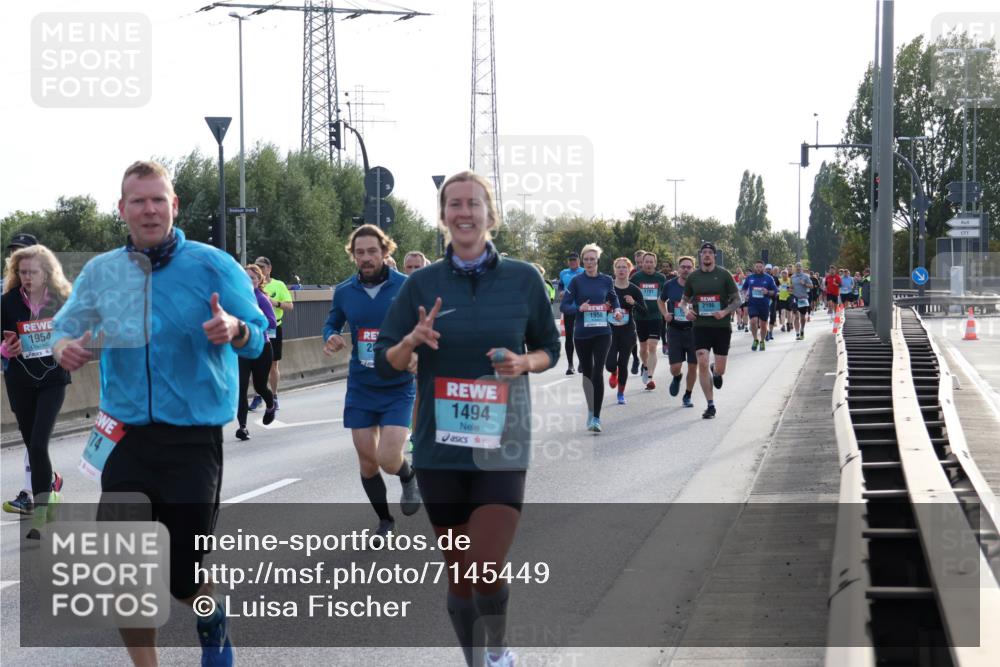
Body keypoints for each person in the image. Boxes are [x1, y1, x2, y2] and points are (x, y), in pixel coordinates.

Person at [51, 160, 267, 667]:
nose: (148, 209)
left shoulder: (212, 265)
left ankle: (212, 619)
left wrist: (234, 328)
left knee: (183, 577)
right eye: (137, 200)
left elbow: (260, 336)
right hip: (125, 437)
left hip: (192, 441)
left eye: (157, 199)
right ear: (122, 209)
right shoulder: (103, 271)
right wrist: (64, 346)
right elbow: (65, 326)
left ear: (174, 206)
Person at [374, 171, 559, 667]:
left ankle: (498, 649)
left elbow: (550, 348)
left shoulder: (524, 279)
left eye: (473, 203)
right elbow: (384, 358)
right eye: (453, 204)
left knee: (485, 563)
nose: (464, 212)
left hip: (503, 443)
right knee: (459, 572)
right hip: (439, 449)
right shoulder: (420, 284)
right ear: (443, 217)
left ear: (490, 214)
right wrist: (411, 342)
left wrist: (524, 363)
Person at [323, 224, 420, 537]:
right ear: (353, 255)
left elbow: (426, 324)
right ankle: (385, 521)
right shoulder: (344, 291)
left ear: (385, 252)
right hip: (362, 386)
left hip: (398, 384)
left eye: (372, 252)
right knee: (367, 461)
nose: (366, 258)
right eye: (360, 252)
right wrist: (332, 336)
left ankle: (408, 475)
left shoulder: (405, 286)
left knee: (389, 457)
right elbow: (331, 322)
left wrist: (418, 352)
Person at [1, 244, 70, 537]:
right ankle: (51, 482)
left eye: (33, 272)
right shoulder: (6, 304)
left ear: (47, 272)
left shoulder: (62, 301)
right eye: (22, 272)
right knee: (33, 447)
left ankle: (41, 519)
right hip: (20, 381)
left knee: (39, 444)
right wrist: (7, 348)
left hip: (53, 379)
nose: (27, 277)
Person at [561, 243, 621, 432]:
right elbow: (564, 306)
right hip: (582, 334)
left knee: (597, 373)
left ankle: (596, 417)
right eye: (586, 259)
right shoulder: (576, 281)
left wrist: (617, 309)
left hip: (603, 332)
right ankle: (590, 410)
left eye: (592, 259)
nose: (589, 262)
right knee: (587, 374)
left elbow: (613, 298)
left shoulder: (606, 280)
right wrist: (579, 308)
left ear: (597, 260)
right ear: (582, 261)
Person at [680, 242, 740, 419]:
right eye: (703, 253)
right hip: (701, 326)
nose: (706, 255)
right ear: (700, 256)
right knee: (702, 361)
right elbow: (683, 301)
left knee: (720, 369)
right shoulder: (693, 277)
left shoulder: (724, 275)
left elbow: (737, 300)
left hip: (721, 327)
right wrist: (686, 311)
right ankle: (710, 405)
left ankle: (716, 371)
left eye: (709, 253)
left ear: (714, 256)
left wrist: (724, 312)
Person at [235, 264, 277, 440]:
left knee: (260, 385)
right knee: (242, 386)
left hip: (262, 347)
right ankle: (242, 427)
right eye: (245, 277)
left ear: (259, 280)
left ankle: (270, 404)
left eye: (252, 277)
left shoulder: (261, 299)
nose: (248, 280)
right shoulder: (237, 298)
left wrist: (252, 325)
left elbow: (272, 322)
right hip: (242, 348)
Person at [250, 256, 293, 412]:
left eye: (262, 266)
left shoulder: (278, 285)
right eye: (257, 266)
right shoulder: (251, 284)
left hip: (274, 328)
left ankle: (274, 395)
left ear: (269, 269)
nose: (259, 269)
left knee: (273, 363)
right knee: (254, 362)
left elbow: (290, 306)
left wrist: (274, 303)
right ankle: (257, 396)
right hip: (256, 329)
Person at [658, 255, 698, 407]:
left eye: (689, 267)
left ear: (693, 269)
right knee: (675, 367)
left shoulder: (698, 285)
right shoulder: (670, 285)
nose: (686, 269)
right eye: (683, 267)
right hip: (674, 330)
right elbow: (661, 301)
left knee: (693, 365)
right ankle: (677, 377)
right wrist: (665, 314)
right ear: (679, 268)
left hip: (694, 330)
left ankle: (687, 395)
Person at [606, 257, 646, 405]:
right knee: (610, 364)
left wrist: (633, 303)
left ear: (629, 270)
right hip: (609, 331)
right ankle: (613, 372)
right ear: (614, 270)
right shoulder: (607, 288)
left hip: (627, 331)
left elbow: (644, 312)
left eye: (625, 267)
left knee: (623, 363)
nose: (622, 270)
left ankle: (621, 393)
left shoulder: (634, 290)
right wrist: (605, 306)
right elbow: (598, 306)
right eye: (619, 267)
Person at [630, 251, 667, 390]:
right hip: (640, 317)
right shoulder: (636, 277)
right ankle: (645, 365)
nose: (649, 264)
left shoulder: (661, 278)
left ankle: (650, 377)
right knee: (643, 347)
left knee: (652, 346)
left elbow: (665, 296)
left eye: (652, 262)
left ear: (655, 263)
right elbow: (629, 294)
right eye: (646, 261)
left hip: (656, 316)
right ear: (642, 263)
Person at [741, 260, 777, 351]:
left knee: (763, 325)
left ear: (763, 268)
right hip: (753, 304)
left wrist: (768, 292)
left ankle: (762, 341)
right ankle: (755, 339)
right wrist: (745, 295)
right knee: (753, 321)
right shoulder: (750, 278)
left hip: (764, 305)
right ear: (754, 267)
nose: (758, 268)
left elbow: (775, 291)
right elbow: (744, 288)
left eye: (760, 267)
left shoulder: (769, 278)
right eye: (757, 267)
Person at [558, 252, 584, 375]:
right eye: (570, 260)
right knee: (569, 336)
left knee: (582, 335)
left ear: (579, 260)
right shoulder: (563, 273)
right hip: (569, 308)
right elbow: (560, 287)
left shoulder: (584, 271)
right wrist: (562, 292)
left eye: (574, 259)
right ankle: (570, 365)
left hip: (582, 308)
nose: (572, 262)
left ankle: (582, 362)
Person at [790, 262, 812, 340]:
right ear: (795, 268)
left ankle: (802, 329)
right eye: (797, 266)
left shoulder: (805, 276)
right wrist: (790, 288)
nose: (798, 268)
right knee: (796, 316)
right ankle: (797, 333)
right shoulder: (792, 277)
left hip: (803, 298)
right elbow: (791, 287)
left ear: (801, 268)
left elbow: (811, 286)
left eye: (799, 266)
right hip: (795, 298)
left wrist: (805, 284)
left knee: (802, 317)